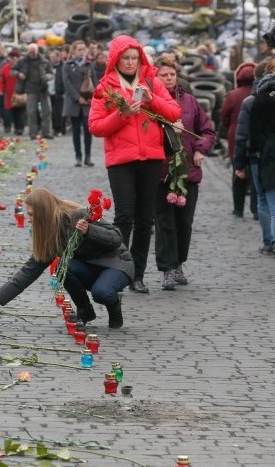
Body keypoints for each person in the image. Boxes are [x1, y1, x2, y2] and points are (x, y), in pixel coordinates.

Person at [88, 35, 181, 294]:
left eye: (134, 58)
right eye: (125, 58)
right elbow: (95, 126)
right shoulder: (105, 88)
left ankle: (137, 275)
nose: (130, 63)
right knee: (124, 217)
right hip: (121, 160)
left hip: (151, 158)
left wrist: (153, 100)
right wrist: (121, 115)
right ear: (116, 60)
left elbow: (174, 113)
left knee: (144, 219)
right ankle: (118, 271)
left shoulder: (152, 81)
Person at [0, 188, 134, 329]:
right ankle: (85, 311)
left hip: (116, 263)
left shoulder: (78, 214)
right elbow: (29, 271)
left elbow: (116, 238)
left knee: (102, 293)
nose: (29, 220)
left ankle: (114, 308)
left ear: (44, 212)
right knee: (62, 267)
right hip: (89, 267)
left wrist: (89, 230)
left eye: (31, 214)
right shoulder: (50, 236)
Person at [154, 56, 215, 289]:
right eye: (164, 75)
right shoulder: (152, 102)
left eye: (172, 74)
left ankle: (179, 262)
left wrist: (201, 150)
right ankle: (167, 268)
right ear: (156, 77)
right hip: (161, 170)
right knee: (164, 221)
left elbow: (207, 130)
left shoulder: (189, 101)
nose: (169, 79)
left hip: (188, 169)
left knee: (184, 221)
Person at [234, 58, 273, 253]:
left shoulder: (252, 100)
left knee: (264, 200)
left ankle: (269, 241)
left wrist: (239, 163)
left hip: (258, 155)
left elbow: (242, 135)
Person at [220, 62, 256, 218]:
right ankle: (256, 209)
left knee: (237, 173)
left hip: (236, 137)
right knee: (256, 176)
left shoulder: (233, 94)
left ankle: (238, 208)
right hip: (255, 137)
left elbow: (223, 116)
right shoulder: (258, 94)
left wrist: (231, 126)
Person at [249, 57, 275, 254]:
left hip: (267, 154)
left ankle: (270, 242)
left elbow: (252, 132)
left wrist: (251, 155)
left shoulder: (260, 98)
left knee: (267, 201)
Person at [62, 40, 96, 167]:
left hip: (87, 102)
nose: (82, 52)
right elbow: (67, 83)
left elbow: (95, 82)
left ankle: (88, 156)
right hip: (74, 102)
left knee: (88, 130)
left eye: (83, 49)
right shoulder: (68, 65)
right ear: (74, 51)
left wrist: (95, 97)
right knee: (75, 131)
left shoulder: (89, 65)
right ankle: (78, 156)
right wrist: (77, 97)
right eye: (79, 49)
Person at [12, 43, 54, 140]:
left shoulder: (44, 61)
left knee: (47, 111)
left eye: (33, 52)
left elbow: (51, 73)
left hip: (43, 89)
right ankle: (33, 133)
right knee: (31, 112)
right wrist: (19, 74)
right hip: (30, 89)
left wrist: (47, 77)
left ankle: (46, 132)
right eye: (30, 52)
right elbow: (12, 70)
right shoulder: (22, 61)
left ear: (37, 51)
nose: (32, 54)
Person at [0, 48, 25, 135]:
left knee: (19, 111)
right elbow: (1, 80)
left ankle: (19, 128)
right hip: (9, 93)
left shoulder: (22, 67)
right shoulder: (5, 68)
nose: (12, 59)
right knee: (8, 111)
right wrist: (0, 90)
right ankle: (7, 126)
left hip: (19, 92)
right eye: (11, 57)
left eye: (14, 57)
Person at [48, 47, 65, 136]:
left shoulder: (63, 66)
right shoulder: (48, 66)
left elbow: (65, 80)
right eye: (51, 57)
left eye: (54, 57)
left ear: (58, 57)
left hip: (59, 92)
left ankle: (60, 129)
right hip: (50, 92)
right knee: (52, 112)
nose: (52, 59)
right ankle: (54, 128)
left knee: (59, 112)